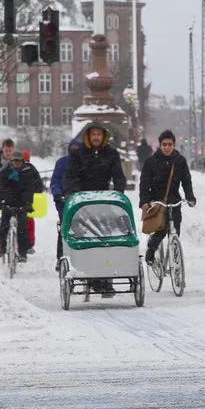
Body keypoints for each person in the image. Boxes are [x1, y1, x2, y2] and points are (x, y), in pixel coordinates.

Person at [63, 121, 126, 296]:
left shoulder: (111, 154)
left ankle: (106, 279)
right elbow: (71, 176)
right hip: (83, 202)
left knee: (106, 241)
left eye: (99, 134)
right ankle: (93, 279)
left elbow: (118, 176)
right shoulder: (78, 154)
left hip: (103, 201)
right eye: (93, 135)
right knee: (87, 242)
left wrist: (117, 194)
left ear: (103, 136)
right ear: (88, 137)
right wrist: (73, 195)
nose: (96, 137)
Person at [140, 129, 197, 265]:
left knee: (176, 230)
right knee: (162, 229)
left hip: (174, 200)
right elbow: (144, 183)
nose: (167, 147)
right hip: (157, 201)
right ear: (160, 145)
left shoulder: (180, 161)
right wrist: (145, 201)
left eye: (170, 144)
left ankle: (175, 258)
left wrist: (190, 197)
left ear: (174, 145)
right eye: (164, 144)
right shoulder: (151, 162)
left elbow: (186, 181)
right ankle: (151, 249)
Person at [0, 151, 37, 263]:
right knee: (4, 226)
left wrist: (28, 203)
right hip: (8, 203)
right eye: (14, 161)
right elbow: (0, 187)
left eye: (18, 161)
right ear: (11, 161)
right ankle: (2, 247)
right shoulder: (5, 171)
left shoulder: (27, 172)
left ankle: (23, 252)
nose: (16, 163)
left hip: (21, 204)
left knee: (22, 228)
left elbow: (29, 189)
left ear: (22, 161)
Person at [50, 137, 81, 271]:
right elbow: (55, 181)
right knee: (64, 228)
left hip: (82, 202)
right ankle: (60, 256)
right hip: (65, 202)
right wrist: (57, 194)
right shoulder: (62, 163)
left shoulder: (86, 163)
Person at [21, 149, 45, 254]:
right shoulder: (32, 169)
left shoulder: (13, 167)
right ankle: (29, 244)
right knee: (29, 221)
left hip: (14, 198)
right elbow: (39, 185)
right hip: (28, 199)